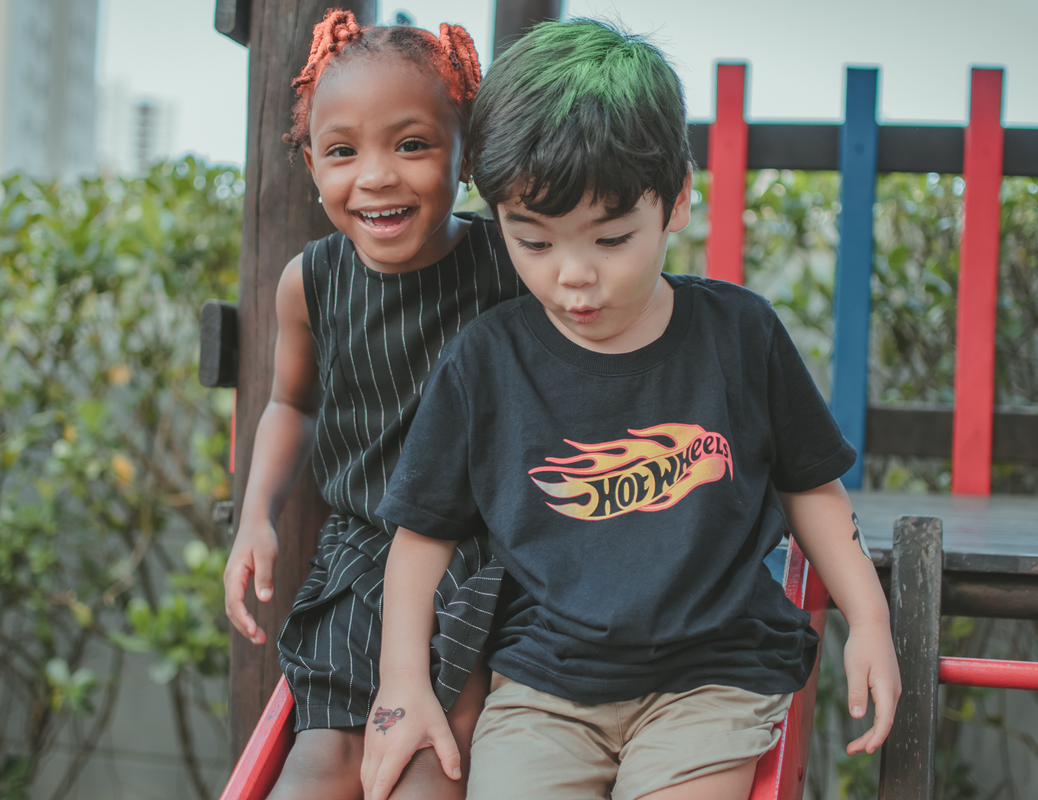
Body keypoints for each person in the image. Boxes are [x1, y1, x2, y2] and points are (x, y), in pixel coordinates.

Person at [362, 19, 901, 800]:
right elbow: (422, 538)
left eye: (610, 239)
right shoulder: (487, 361)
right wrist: (402, 683)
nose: (573, 277)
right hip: (545, 687)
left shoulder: (740, 336)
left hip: (711, 679)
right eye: (534, 242)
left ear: (676, 201)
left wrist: (870, 621)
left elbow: (811, 486)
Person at [220, 11, 525, 800]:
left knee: (439, 754)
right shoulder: (312, 281)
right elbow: (292, 403)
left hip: (487, 554)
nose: (377, 175)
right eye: (343, 151)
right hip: (362, 556)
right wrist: (257, 513)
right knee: (325, 754)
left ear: (466, 159)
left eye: (412, 144)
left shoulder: (507, 264)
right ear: (313, 164)